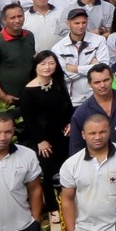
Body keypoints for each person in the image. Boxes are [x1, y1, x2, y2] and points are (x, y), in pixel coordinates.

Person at [16, 51, 73, 189]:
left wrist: (71, 123)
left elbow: (68, 106)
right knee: (49, 172)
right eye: (43, 64)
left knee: (67, 169)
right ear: (35, 66)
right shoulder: (27, 92)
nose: (47, 67)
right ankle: (52, 207)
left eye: (51, 63)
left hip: (64, 135)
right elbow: (29, 120)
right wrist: (40, 141)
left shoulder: (59, 83)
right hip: (43, 139)